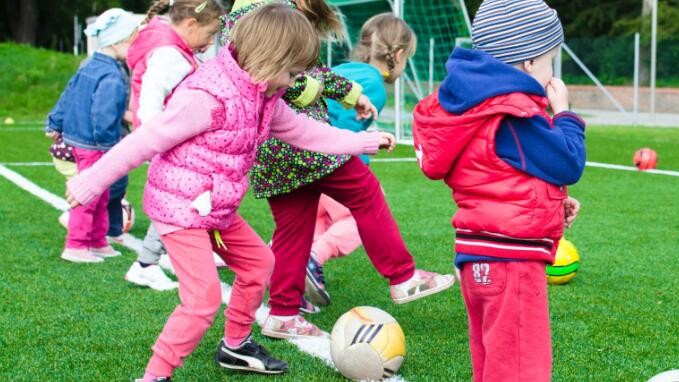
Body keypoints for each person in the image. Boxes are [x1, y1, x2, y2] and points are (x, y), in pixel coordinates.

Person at [66, 5, 394, 380]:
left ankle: (235, 346)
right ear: (270, 60)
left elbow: (306, 132)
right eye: (291, 73)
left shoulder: (265, 95)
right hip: (181, 209)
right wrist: (91, 182)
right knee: (202, 301)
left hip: (215, 208)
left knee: (259, 264)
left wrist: (360, 141)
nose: (292, 83)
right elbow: (145, 139)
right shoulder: (207, 96)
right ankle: (155, 374)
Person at [222, 0, 454, 339]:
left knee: (293, 228)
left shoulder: (245, 14)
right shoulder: (274, 12)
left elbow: (303, 72)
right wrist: (344, 95)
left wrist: (350, 94)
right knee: (366, 192)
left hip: (270, 148)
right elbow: (293, 76)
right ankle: (403, 277)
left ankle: (283, 313)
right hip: (301, 141)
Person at [412, 1, 586, 381]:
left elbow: (493, 172)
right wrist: (565, 115)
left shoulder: (474, 105)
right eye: (550, 60)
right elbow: (569, 161)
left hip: (477, 256)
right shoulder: (513, 112)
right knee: (522, 370)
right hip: (512, 262)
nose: (551, 73)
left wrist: (554, 201)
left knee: (495, 367)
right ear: (528, 63)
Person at [305, 13, 418, 307]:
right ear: (399, 54)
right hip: (328, 163)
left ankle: (283, 271)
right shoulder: (375, 87)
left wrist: (372, 136)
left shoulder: (345, 70)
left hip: (301, 158)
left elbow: (334, 115)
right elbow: (343, 131)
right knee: (361, 216)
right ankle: (313, 259)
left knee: (311, 225)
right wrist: (365, 144)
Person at [124, 0, 225, 291]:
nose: (209, 43)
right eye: (209, 34)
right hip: (167, 141)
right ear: (191, 25)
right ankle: (145, 263)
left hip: (166, 139)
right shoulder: (170, 55)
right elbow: (151, 102)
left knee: (190, 198)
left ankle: (162, 257)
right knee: (180, 201)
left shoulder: (171, 45)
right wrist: (161, 138)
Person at [45, 8, 140, 264]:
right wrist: (110, 147)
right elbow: (103, 113)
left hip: (83, 140)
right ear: (120, 42)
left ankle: (97, 241)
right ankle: (76, 245)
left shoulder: (90, 64)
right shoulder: (111, 74)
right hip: (95, 144)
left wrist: (55, 120)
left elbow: (68, 93)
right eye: (134, 41)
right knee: (89, 194)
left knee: (102, 193)